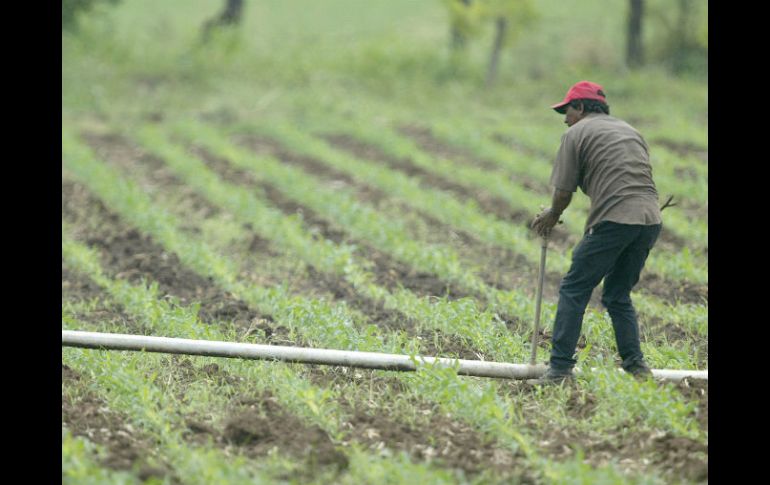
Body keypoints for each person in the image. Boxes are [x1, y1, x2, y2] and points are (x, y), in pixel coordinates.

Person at [530, 80, 662, 384]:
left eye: (567, 111)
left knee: (574, 288)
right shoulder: (631, 131)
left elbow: (563, 192)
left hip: (615, 219)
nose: (565, 118)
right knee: (617, 294)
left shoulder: (575, 134)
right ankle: (637, 367)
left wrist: (552, 215)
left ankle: (559, 369)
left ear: (581, 107)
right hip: (649, 220)